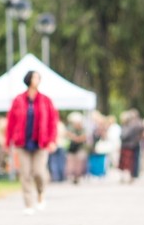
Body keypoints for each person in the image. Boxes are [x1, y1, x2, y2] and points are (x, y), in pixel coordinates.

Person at [5, 70, 58, 214]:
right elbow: (11, 122)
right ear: (29, 79)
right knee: (25, 173)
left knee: (39, 172)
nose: (37, 79)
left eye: (38, 77)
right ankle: (28, 204)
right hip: (22, 143)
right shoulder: (18, 100)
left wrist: (52, 140)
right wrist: (8, 141)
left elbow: (53, 122)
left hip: (41, 143)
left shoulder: (46, 100)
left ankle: (41, 194)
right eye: (35, 77)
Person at [118, 109, 143, 183]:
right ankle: (131, 176)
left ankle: (129, 177)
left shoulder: (130, 125)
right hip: (132, 145)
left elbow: (124, 135)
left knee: (127, 163)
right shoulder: (138, 123)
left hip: (128, 145)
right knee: (131, 162)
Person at [65, 112, 88, 184]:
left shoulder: (83, 129)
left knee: (79, 163)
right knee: (72, 163)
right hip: (72, 149)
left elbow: (83, 137)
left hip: (80, 148)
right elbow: (67, 134)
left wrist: (76, 138)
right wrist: (74, 137)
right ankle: (73, 176)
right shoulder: (71, 128)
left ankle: (78, 176)